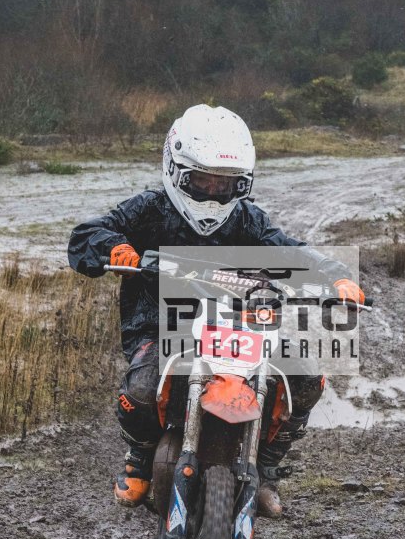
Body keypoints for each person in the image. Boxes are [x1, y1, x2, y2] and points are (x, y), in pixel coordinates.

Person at [68, 104, 364, 518]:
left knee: (305, 381)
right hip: (159, 321)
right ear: (176, 171)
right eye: (202, 180)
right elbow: (88, 233)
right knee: (139, 390)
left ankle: (265, 467)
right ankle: (139, 457)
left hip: (239, 326)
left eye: (225, 184)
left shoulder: (246, 218)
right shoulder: (150, 209)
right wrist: (116, 249)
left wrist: (336, 277)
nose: (212, 192)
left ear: (241, 185)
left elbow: (292, 249)